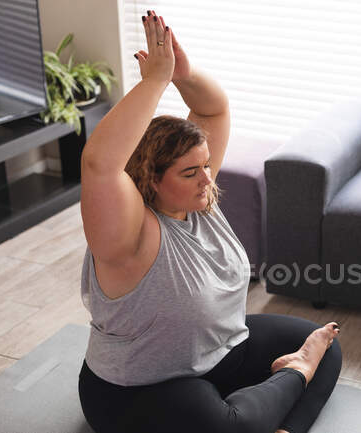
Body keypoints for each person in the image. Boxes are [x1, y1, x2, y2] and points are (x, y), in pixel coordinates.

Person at [77, 10, 341, 433]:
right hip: (138, 389)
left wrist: (183, 73)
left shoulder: (198, 199)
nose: (207, 179)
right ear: (151, 179)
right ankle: (294, 375)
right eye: (190, 172)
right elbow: (100, 163)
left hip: (220, 354)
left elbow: (213, 110)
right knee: (228, 422)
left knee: (326, 344)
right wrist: (153, 82)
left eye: (206, 166)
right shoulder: (128, 236)